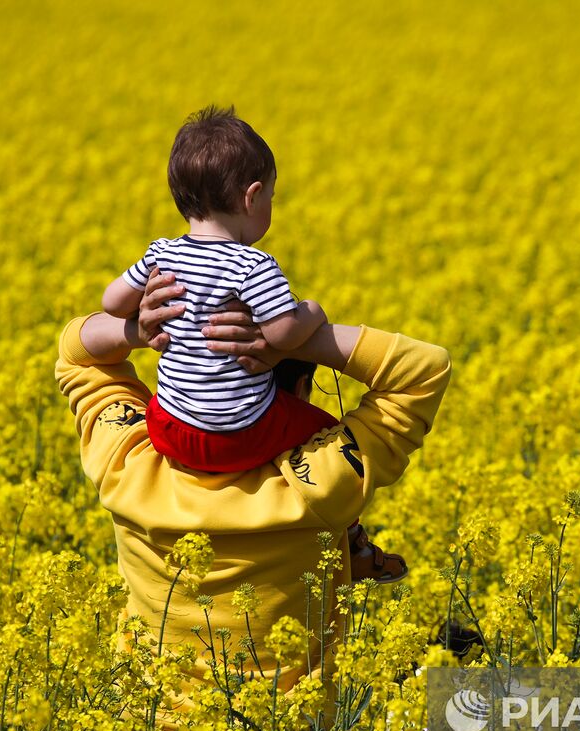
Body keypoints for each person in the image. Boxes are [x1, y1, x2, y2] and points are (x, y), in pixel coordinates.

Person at [54, 269, 452, 731]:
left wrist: (148, 331)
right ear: (299, 388)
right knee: (470, 676)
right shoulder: (319, 483)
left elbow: (77, 355)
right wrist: (292, 339)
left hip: (145, 730)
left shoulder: (125, 462)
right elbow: (426, 369)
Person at [101, 105, 405, 583]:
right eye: (273, 197)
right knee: (329, 434)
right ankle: (351, 541)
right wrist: (315, 311)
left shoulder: (163, 252)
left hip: (168, 430)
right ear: (253, 196)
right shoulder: (252, 266)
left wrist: (142, 317)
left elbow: (112, 300)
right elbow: (283, 334)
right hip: (239, 434)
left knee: (167, 396)